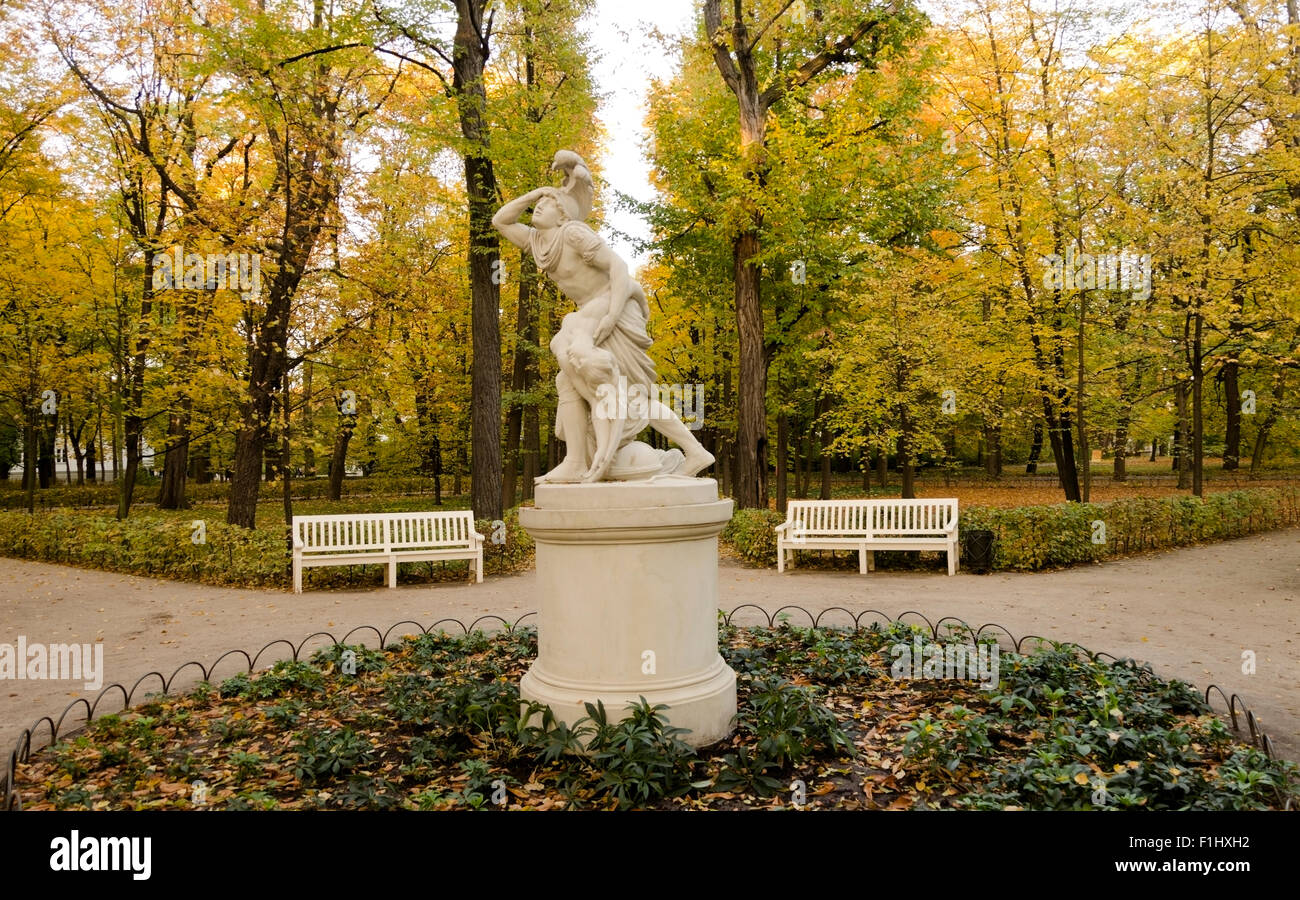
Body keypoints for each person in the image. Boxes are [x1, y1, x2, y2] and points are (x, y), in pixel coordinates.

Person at [492, 150, 713, 483]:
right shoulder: (537, 243)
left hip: (616, 303)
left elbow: (618, 267)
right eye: (540, 202)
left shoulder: (574, 233)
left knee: (571, 338)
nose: (539, 206)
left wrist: (610, 315)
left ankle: (600, 453)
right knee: (570, 380)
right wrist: (537, 193)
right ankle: (578, 460)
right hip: (592, 311)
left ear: (563, 214)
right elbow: (500, 220)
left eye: (549, 203)